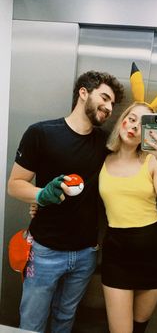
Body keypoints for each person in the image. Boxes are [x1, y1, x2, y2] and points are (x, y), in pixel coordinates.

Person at [7, 70, 125, 333]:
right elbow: (14, 185)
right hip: (45, 252)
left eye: (112, 104)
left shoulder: (105, 144)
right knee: (32, 323)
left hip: (86, 254)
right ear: (83, 93)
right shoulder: (41, 133)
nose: (108, 107)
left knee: (65, 319)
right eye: (104, 98)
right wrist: (41, 195)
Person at [98, 101, 157, 333]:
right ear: (122, 120)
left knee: (138, 328)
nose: (134, 126)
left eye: (143, 123)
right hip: (116, 253)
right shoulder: (102, 159)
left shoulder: (152, 162)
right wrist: (39, 203)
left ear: (149, 131)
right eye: (132, 118)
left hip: (153, 252)